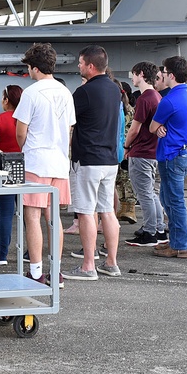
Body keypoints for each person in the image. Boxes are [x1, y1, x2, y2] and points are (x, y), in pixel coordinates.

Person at [13, 44, 74, 286]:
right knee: (54, 218)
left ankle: (37, 272)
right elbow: (69, 129)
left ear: (34, 68)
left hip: (36, 161)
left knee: (32, 216)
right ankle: (56, 271)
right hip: (59, 161)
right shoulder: (65, 92)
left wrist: (25, 149)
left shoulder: (32, 93)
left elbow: (21, 131)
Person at [63, 45, 121, 281]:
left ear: (90, 65)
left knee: (86, 212)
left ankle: (88, 265)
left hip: (88, 160)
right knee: (107, 211)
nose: (78, 66)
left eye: (80, 62)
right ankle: (111, 262)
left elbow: (67, 120)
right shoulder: (115, 90)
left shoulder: (83, 92)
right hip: (109, 159)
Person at [149, 56, 187, 258]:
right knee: (168, 199)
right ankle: (177, 240)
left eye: (164, 71)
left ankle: (179, 245)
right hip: (185, 152)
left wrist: (159, 127)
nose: (161, 74)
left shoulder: (169, 100)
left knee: (174, 202)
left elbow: (152, 127)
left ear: (171, 75)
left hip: (171, 154)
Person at [124, 61, 166, 247]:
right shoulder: (157, 96)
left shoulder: (144, 99)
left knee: (144, 195)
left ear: (140, 74)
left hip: (141, 152)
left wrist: (126, 146)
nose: (131, 78)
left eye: (133, 74)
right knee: (151, 193)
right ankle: (159, 228)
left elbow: (134, 129)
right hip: (153, 152)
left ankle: (149, 233)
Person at [0, 83, 24, 265]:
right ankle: (31, 252)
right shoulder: (26, 119)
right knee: (29, 214)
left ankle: (2, 254)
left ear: (7, 100)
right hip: (26, 170)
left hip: (4, 171)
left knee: (5, 213)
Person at [113, 77, 137, 225]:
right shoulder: (128, 108)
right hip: (125, 147)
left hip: (123, 148)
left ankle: (129, 209)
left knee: (124, 180)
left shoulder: (122, 109)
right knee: (122, 179)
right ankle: (124, 208)